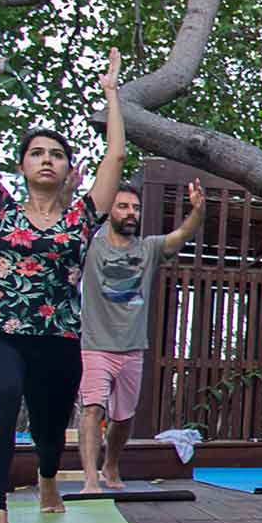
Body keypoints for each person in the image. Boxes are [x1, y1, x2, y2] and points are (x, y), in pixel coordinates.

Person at [0, 25, 126, 523]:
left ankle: (48, 477)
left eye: (55, 154)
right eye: (36, 153)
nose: (46, 160)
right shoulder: (0, 211)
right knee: (5, 393)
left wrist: (111, 96)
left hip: (58, 338)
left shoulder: (82, 218)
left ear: (67, 169)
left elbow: (116, 159)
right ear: (22, 166)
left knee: (50, 425)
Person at [76, 178, 204, 494]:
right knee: (92, 408)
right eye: (123, 206)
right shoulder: (91, 247)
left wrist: (197, 211)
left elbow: (182, 235)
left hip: (132, 349)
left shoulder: (148, 249)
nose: (131, 213)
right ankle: (91, 478)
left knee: (123, 418)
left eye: (135, 208)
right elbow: (68, 224)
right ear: (109, 212)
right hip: (94, 346)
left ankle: (112, 463)